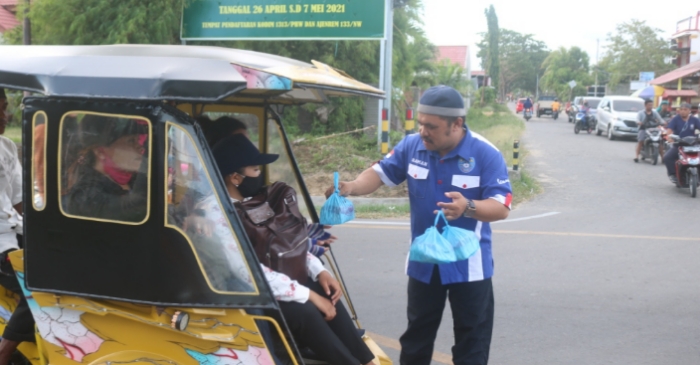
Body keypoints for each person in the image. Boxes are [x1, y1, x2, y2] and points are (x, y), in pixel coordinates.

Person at [327, 85, 512, 365]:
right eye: (421, 123)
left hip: (470, 265)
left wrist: (468, 207)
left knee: (472, 341)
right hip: (424, 262)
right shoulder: (412, 146)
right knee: (416, 338)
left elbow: (501, 207)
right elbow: (379, 174)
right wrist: (350, 187)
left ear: (457, 124)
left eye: (432, 126)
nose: (423, 131)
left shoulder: (485, 154)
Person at [212, 134, 376, 365]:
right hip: (250, 296)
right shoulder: (217, 215)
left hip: (281, 283)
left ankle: (366, 359)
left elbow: (289, 243)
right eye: (256, 170)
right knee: (306, 310)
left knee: (325, 290)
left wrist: (320, 271)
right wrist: (310, 296)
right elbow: (248, 272)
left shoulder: (259, 199)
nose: (261, 175)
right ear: (235, 177)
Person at [0, 88, 34, 365]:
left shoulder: (7, 147)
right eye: (0, 109)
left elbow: (20, 200)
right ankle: (5, 351)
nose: (6, 115)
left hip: (16, 233)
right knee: (41, 282)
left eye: (5, 107)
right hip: (0, 243)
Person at [62, 115, 149, 222]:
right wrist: (148, 161)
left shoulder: (132, 179)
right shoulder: (84, 197)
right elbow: (137, 206)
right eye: (131, 141)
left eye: (138, 140)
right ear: (100, 152)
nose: (140, 148)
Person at [663, 102, 700, 184]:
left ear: (689, 110)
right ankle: (673, 175)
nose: (683, 111)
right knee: (667, 157)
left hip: (693, 145)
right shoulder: (675, 119)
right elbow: (669, 130)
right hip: (679, 145)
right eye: (681, 109)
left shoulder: (695, 120)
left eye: (685, 109)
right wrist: (669, 137)